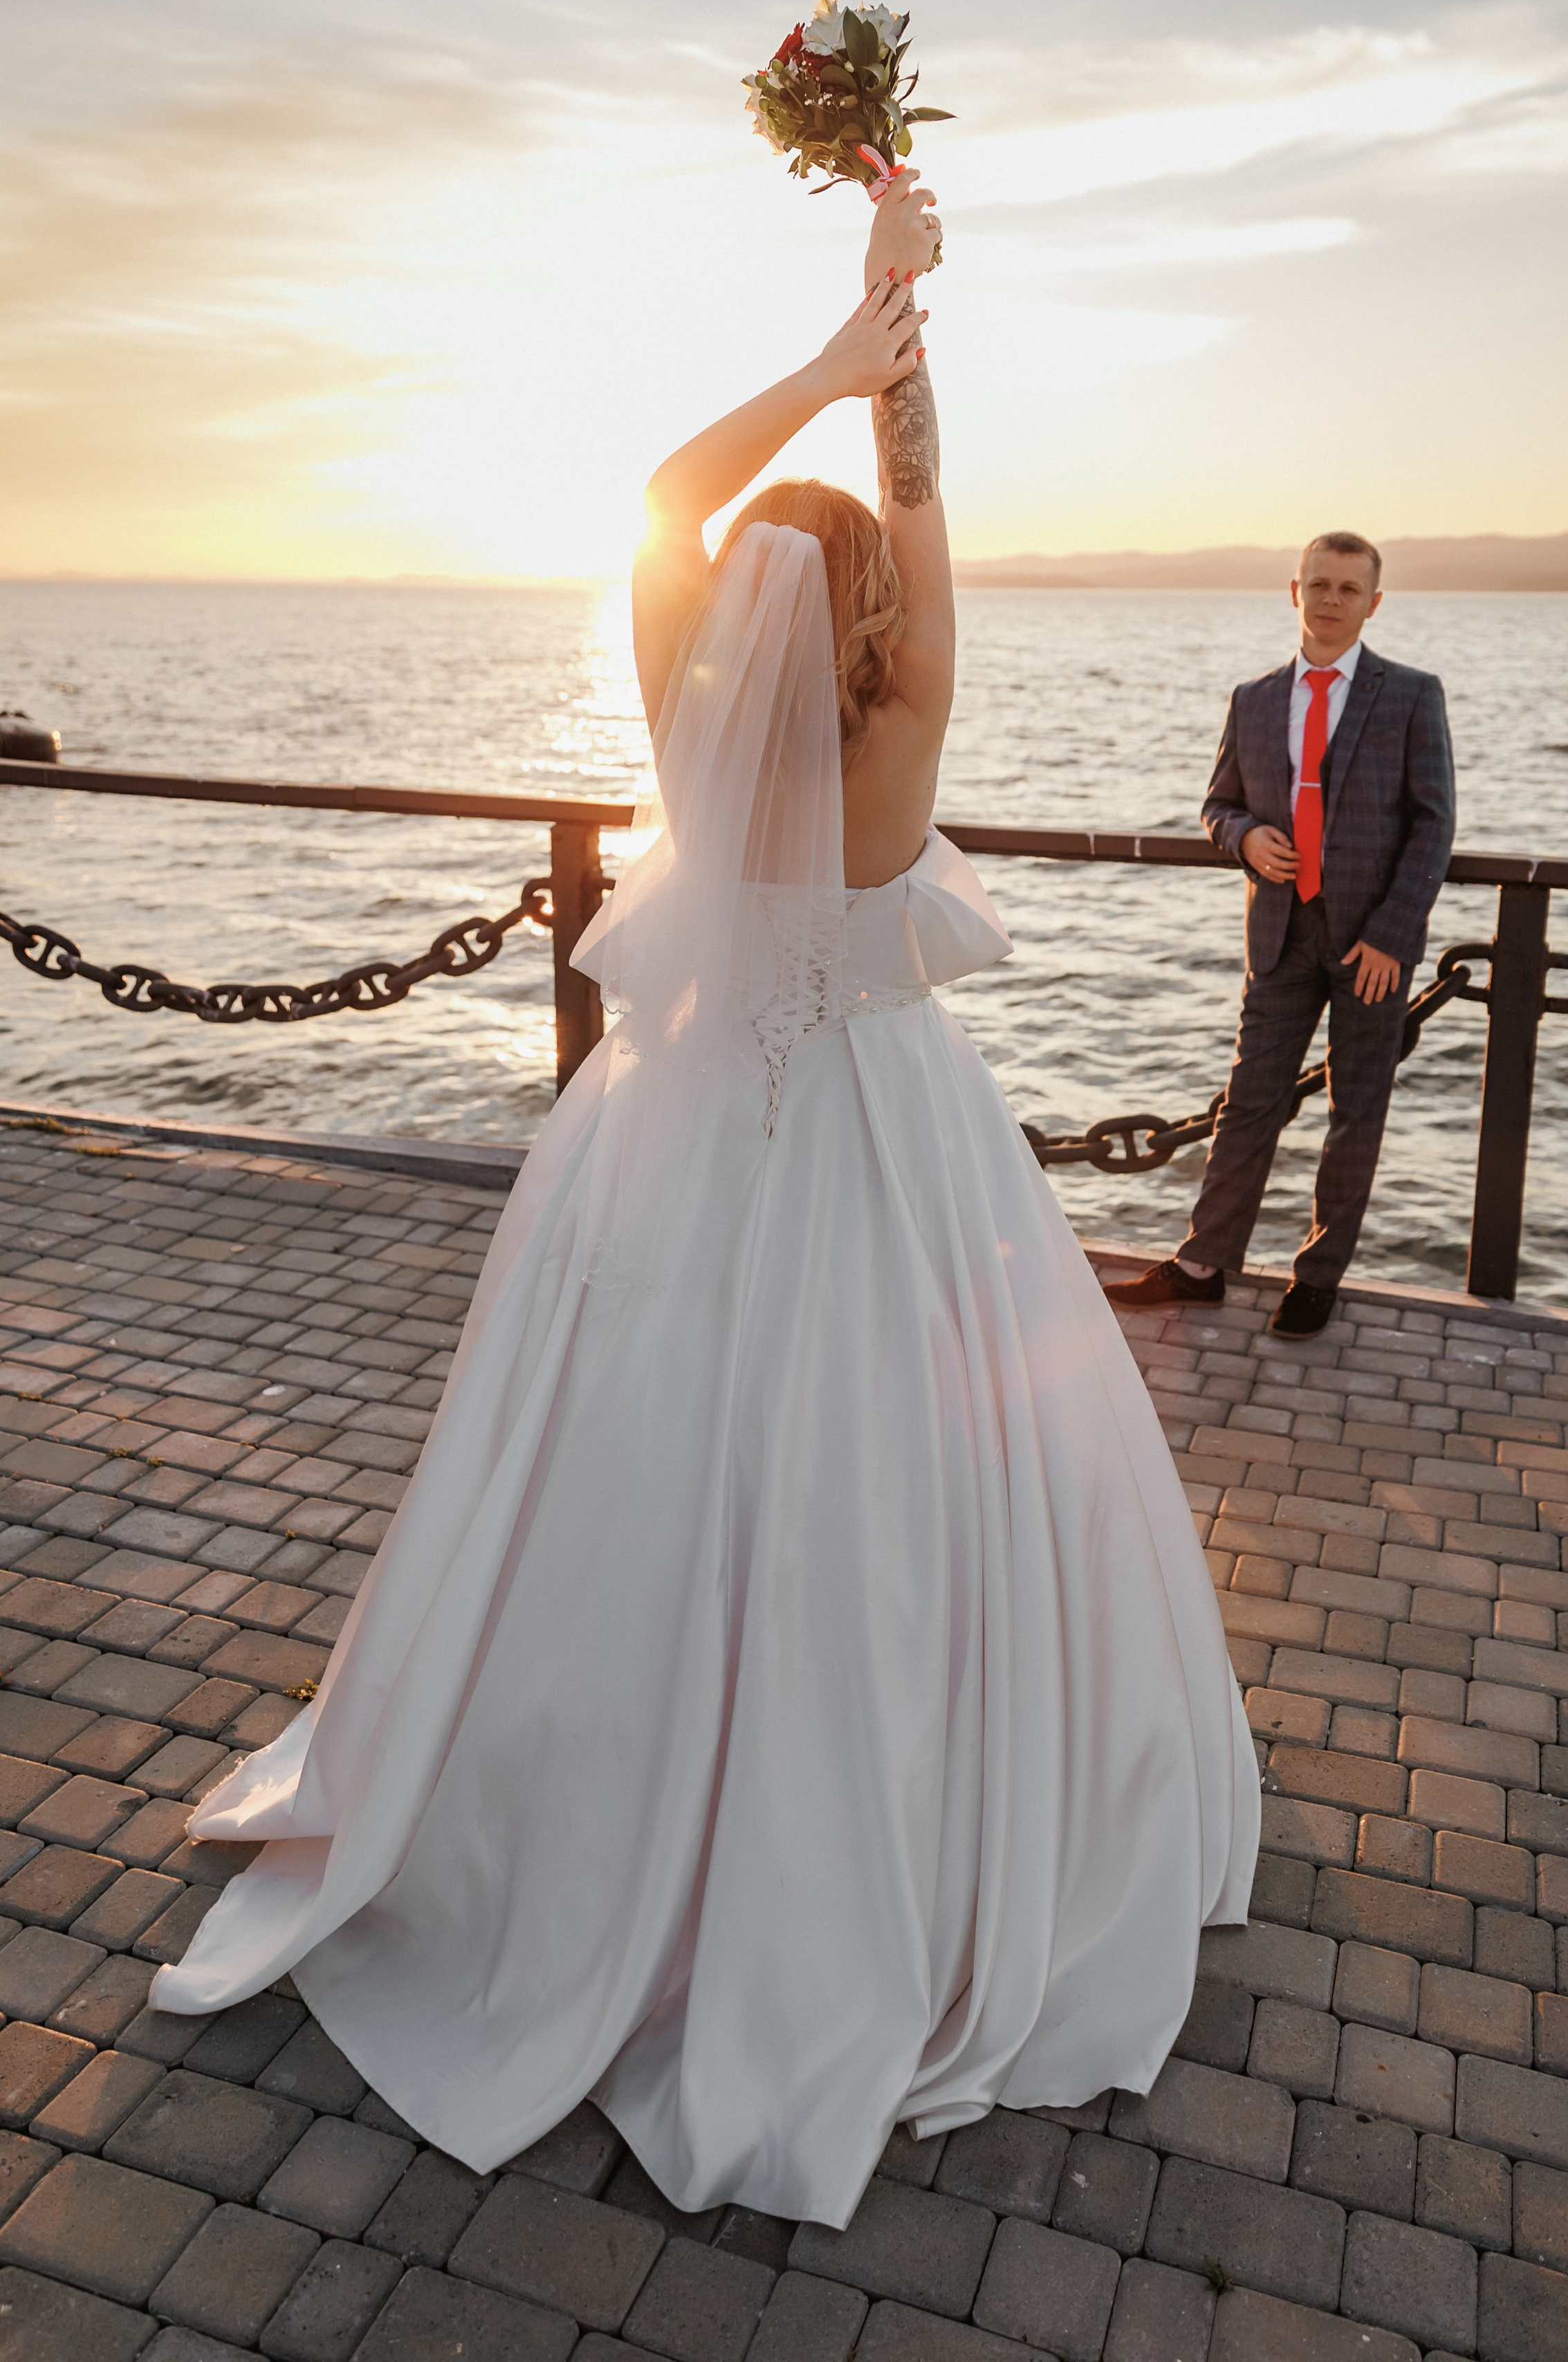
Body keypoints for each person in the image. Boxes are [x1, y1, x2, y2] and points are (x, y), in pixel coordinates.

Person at [149, 175, 1259, 2229]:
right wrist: (901, 327)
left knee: (621, 1457)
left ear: (735, 606)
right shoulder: (906, 719)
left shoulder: (674, 702)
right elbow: (923, 510)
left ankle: (579, 1812)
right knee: (888, 1479)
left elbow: (664, 491)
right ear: (865, 607)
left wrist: (828, 352)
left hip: (663, 1131)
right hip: (885, 1134)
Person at [1109, 536, 1455, 1339]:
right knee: (1248, 1103)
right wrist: (1244, 838)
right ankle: (1202, 1266)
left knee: (1355, 1111)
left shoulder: (1411, 694)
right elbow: (1217, 805)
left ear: (1373, 603)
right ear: (1293, 591)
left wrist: (1392, 934)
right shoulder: (1254, 699)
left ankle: (1317, 1277)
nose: (1331, 600)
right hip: (1278, 936)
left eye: (1348, 589)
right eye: (1318, 584)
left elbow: (1433, 825)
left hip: (1370, 946)